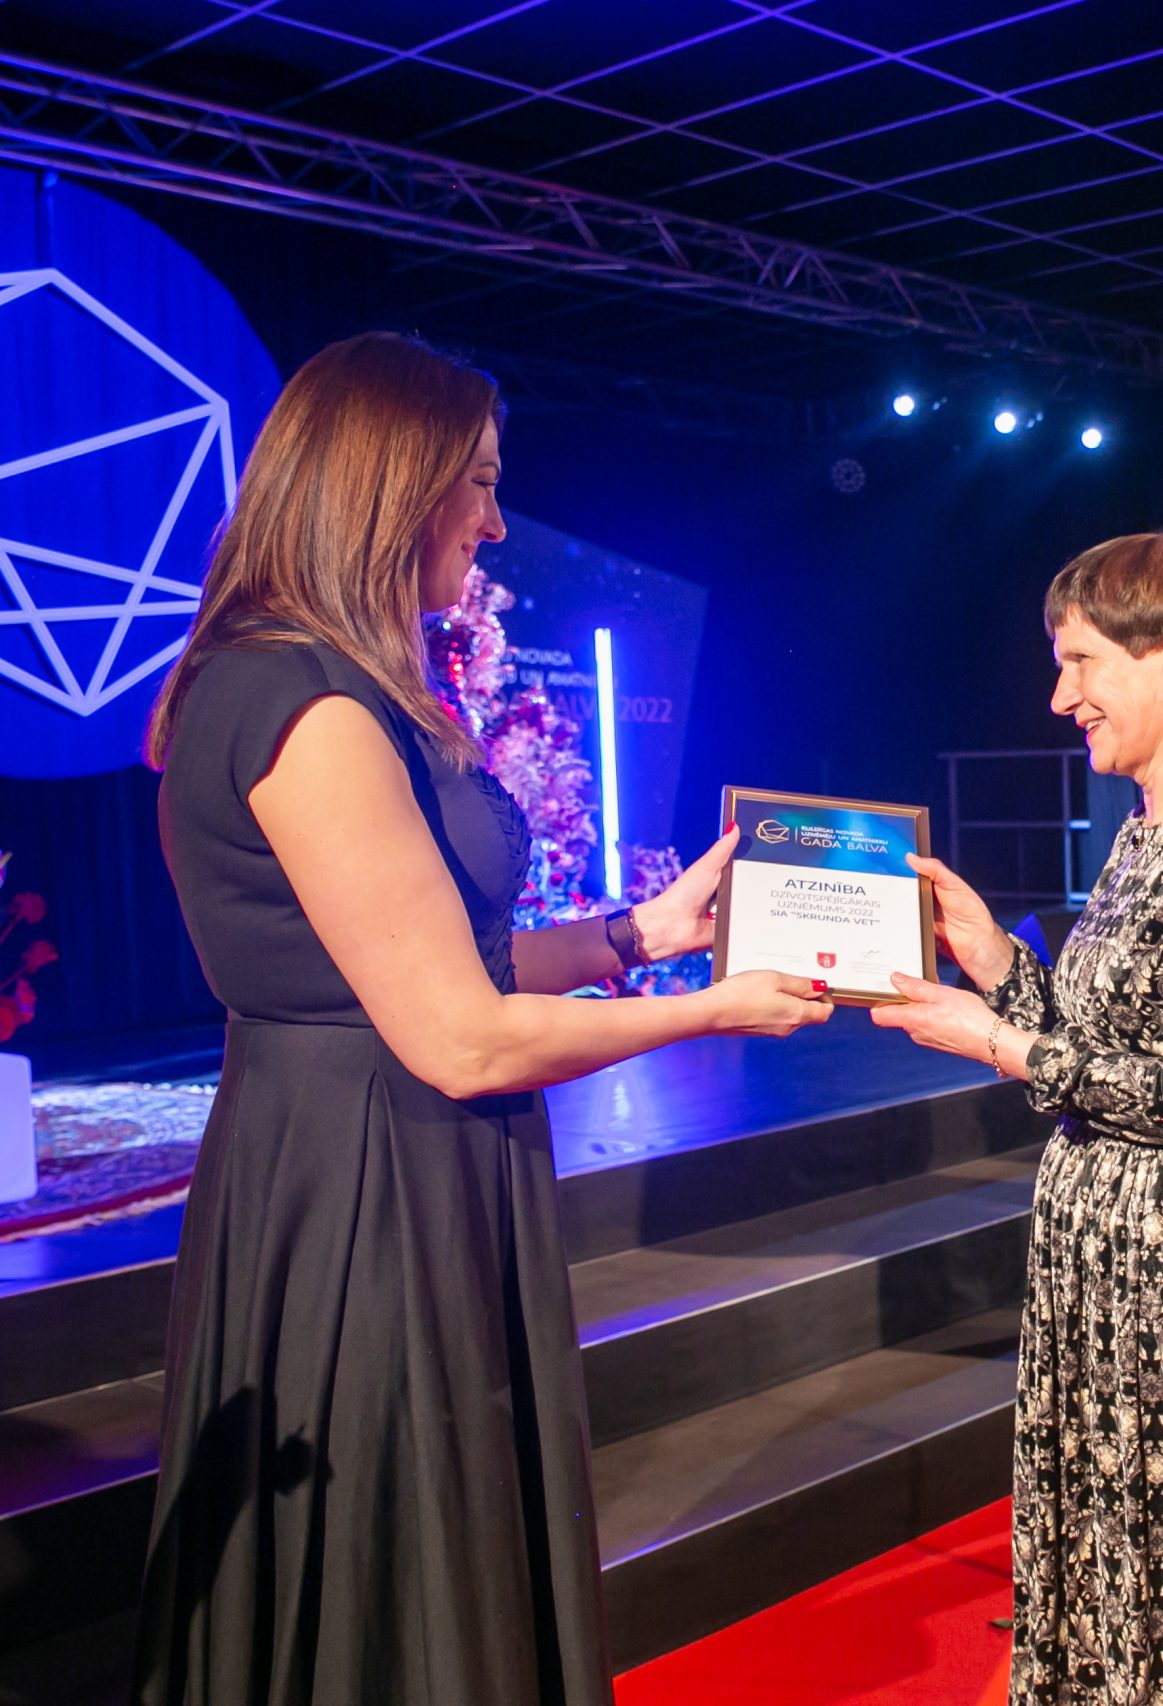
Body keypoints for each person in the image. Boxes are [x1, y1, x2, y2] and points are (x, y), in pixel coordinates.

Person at [133, 332, 834, 1706]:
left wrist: (642, 936)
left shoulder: (319, 682)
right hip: (369, 1182)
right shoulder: (310, 705)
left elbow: (445, 957)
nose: (496, 521)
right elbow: (458, 1034)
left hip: (365, 1158)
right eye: (480, 482)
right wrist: (711, 1011)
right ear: (390, 484)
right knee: (394, 1560)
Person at [873, 533, 1163, 1705]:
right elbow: (1102, 1040)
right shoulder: (1146, 820)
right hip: (1109, 1246)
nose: (1059, 694)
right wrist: (991, 960)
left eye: (1080, 661)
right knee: (1105, 1556)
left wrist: (996, 1040)